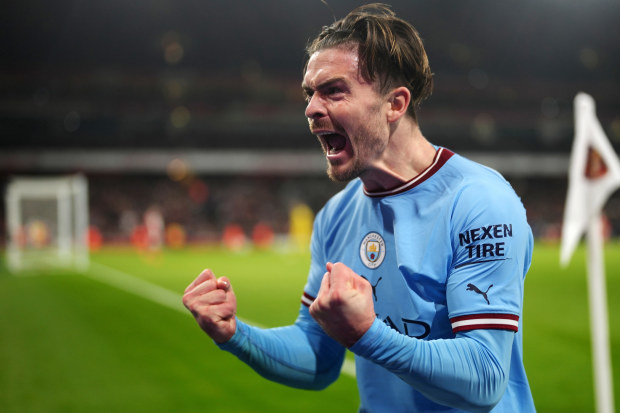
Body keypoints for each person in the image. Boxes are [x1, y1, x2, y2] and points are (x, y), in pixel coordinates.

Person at [183, 4, 536, 412]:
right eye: (309, 93)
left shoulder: (478, 201)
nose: (311, 109)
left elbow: (485, 377)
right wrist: (235, 334)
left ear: (395, 104)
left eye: (333, 90)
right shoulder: (335, 216)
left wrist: (367, 334)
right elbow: (318, 357)